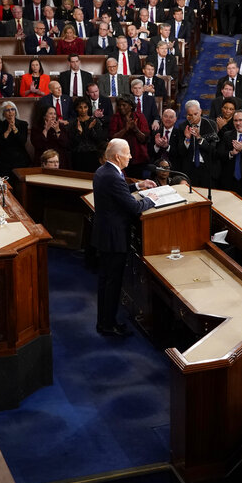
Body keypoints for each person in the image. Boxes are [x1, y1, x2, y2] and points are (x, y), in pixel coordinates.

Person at [91, 139, 156, 337]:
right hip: (114, 238)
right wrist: (151, 200)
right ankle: (108, 325)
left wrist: (138, 185)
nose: (131, 156)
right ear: (118, 157)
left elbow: (119, 192)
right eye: (128, 153)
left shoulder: (103, 171)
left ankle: (104, 322)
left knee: (105, 281)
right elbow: (134, 207)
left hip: (105, 235)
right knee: (112, 283)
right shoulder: (113, 176)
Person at [66, 97, 106, 173]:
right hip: (78, 156)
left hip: (93, 155)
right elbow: (72, 143)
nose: (83, 110)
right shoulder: (73, 123)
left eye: (85, 107)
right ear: (76, 108)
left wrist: (90, 129)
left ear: (88, 108)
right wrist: (80, 133)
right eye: (80, 107)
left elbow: (99, 140)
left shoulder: (95, 121)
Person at [0, 101, 30, 181]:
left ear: (15, 111)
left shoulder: (23, 124)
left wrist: (14, 128)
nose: (10, 112)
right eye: (7, 110)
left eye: (12, 109)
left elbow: (22, 142)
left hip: (20, 159)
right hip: (4, 159)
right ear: (3, 113)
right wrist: (8, 131)